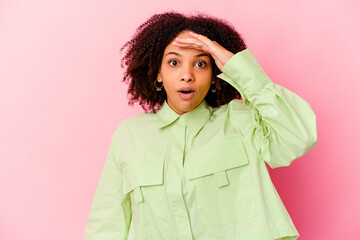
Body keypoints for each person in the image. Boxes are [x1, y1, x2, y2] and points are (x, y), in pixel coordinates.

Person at [83, 11, 317, 240]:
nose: (187, 75)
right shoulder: (129, 134)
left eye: (201, 64)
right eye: (174, 62)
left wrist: (236, 65)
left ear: (215, 74)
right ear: (158, 73)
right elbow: (106, 224)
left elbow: (298, 136)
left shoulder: (239, 119)